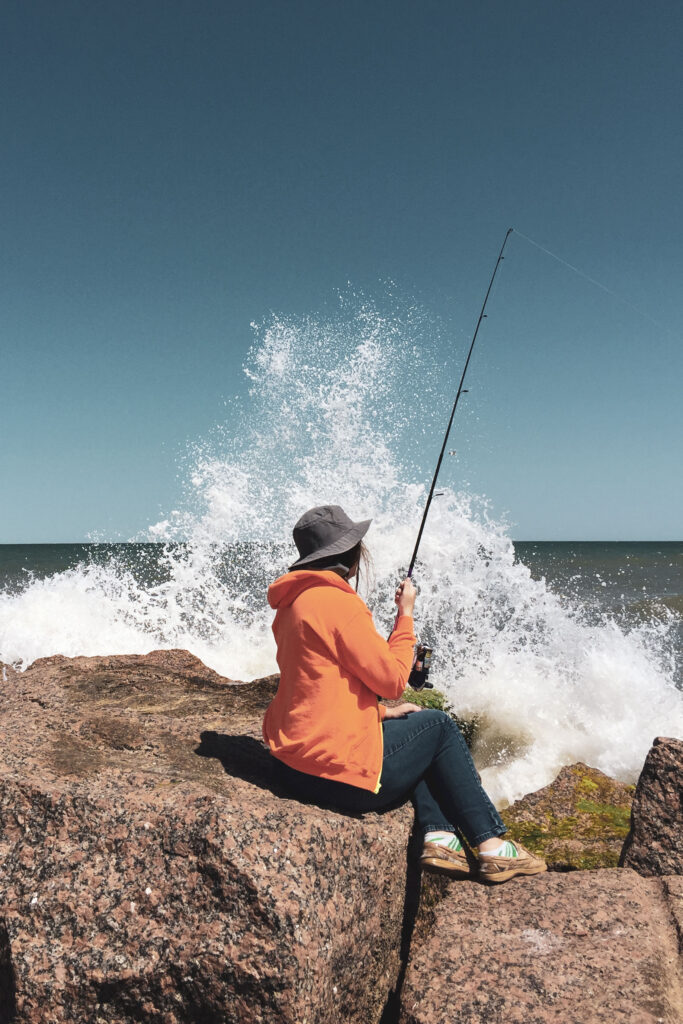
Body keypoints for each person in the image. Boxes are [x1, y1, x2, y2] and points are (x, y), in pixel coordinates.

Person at [262, 504, 546, 884]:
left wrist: (378, 714)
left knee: (414, 729)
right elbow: (394, 682)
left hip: (292, 766)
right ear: (349, 555)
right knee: (439, 727)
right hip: (336, 777)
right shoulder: (339, 603)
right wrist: (405, 616)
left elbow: (316, 684)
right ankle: (491, 844)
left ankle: (440, 836)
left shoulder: (290, 606)